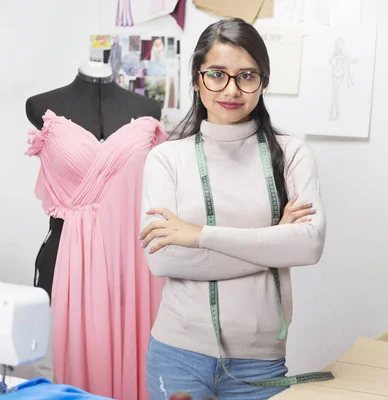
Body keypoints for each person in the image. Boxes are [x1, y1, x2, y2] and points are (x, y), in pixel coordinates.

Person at [139, 18, 327, 400]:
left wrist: (199, 235)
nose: (231, 89)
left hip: (260, 363)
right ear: (196, 79)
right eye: (216, 74)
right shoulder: (165, 159)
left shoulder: (291, 155)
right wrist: (274, 246)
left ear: (263, 81)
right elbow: (163, 261)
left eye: (246, 76)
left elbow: (308, 246)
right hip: (177, 355)